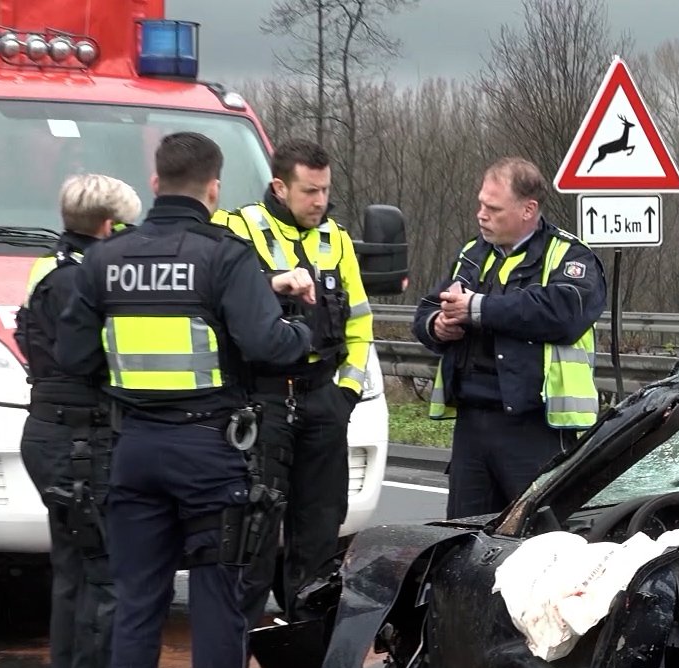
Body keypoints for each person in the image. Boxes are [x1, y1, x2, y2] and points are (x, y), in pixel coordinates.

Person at [56, 131, 317, 668]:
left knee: (138, 605)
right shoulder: (222, 257)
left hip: (134, 449)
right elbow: (269, 346)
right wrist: (303, 331)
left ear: (153, 180)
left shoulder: (105, 260)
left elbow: (75, 358)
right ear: (213, 187)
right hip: (208, 450)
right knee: (217, 607)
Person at [215, 139, 371, 639]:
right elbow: (216, 299)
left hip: (322, 399)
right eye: (310, 191)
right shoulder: (236, 229)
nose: (320, 201)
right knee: (252, 539)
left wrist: (344, 394)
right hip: (263, 401)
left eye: (325, 190)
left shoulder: (337, 239)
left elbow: (360, 324)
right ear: (280, 187)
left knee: (320, 541)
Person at [16, 173, 143, 668]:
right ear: (109, 226)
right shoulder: (86, 281)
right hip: (82, 441)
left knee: (74, 581)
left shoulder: (50, 267)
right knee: (106, 583)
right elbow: (106, 360)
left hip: (53, 433)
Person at [411, 157, 606, 518]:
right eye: (481, 203)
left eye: (493, 207)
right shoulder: (473, 253)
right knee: (463, 541)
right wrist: (438, 324)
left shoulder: (568, 255)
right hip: (472, 425)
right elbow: (425, 309)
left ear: (528, 209)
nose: (481, 214)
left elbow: (560, 313)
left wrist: (478, 309)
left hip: (535, 429)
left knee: (537, 544)